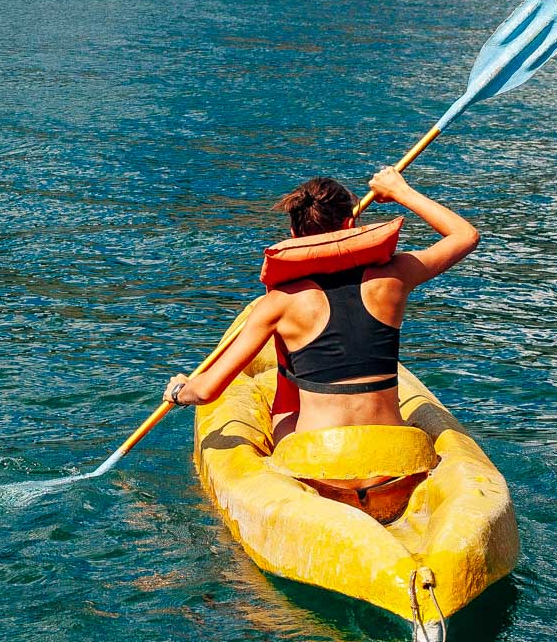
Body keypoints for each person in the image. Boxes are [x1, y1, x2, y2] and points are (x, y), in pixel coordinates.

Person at [162, 167, 479, 452]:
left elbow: (205, 392)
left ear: (294, 234)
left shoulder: (280, 302)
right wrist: (400, 191)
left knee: (285, 411)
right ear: (351, 223)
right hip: (391, 452)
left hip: (320, 459)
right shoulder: (394, 278)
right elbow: (465, 235)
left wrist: (178, 390)